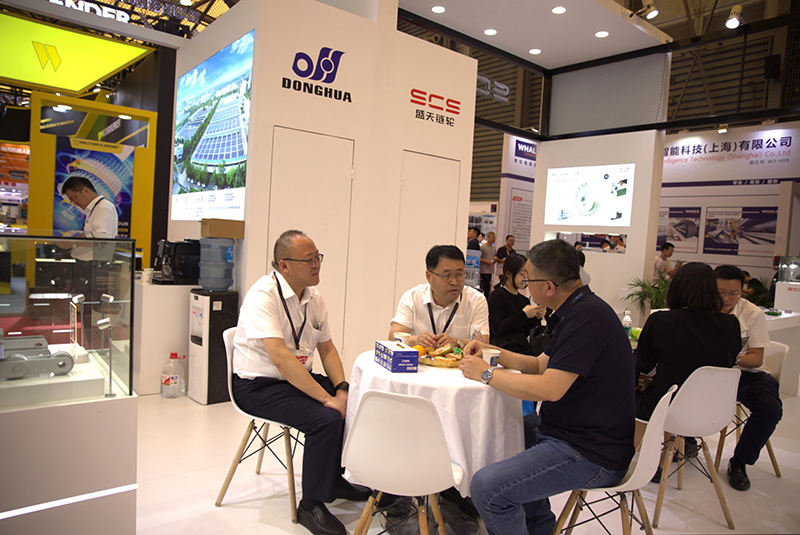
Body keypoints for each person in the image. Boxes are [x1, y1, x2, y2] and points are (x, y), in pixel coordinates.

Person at [459, 239, 635, 535]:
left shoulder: (587, 317)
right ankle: (540, 526)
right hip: (572, 433)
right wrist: (490, 352)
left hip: (590, 452)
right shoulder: (578, 309)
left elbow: (549, 388)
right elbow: (540, 364)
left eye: (528, 280)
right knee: (511, 426)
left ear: (549, 287)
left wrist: (486, 374)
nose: (526, 286)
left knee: (488, 489)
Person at [232, 230, 370, 535]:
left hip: (295, 378)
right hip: (258, 385)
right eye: (309, 260)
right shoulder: (263, 295)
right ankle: (311, 504)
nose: (316, 264)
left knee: (357, 401)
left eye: (318, 257)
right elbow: (281, 358)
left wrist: (342, 389)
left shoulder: (313, 298)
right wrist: (326, 398)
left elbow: (328, 350)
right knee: (326, 418)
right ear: (284, 265)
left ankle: (333, 478)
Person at [635, 263, 741, 423]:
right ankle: (684, 438)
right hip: (713, 412)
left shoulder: (661, 321)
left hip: (664, 409)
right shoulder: (731, 324)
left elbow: (641, 364)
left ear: (676, 289)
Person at [715, 265, 783, 492]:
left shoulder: (752, 313)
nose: (727, 298)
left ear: (742, 291)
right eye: (721, 292)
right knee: (673, 389)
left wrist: (729, 357)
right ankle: (687, 441)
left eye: (733, 293)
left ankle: (740, 461)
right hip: (711, 373)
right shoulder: (702, 308)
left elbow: (756, 358)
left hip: (746, 374)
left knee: (769, 409)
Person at [389, 245, 489, 349]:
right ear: (429, 277)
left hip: (459, 359)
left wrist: (457, 343)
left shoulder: (476, 300)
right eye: (447, 276)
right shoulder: (413, 297)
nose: (454, 282)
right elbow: (393, 336)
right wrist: (416, 340)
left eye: (459, 274)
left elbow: (484, 343)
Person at [488, 253, 545, 354]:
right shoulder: (497, 295)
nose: (525, 278)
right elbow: (497, 329)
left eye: (527, 275)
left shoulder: (524, 300)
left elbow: (524, 331)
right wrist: (523, 314)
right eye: (522, 274)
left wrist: (536, 318)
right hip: (503, 350)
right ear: (508, 274)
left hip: (521, 348)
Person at [479, 232, 497, 296]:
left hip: (490, 270)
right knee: (485, 285)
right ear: (488, 237)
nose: (494, 239)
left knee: (488, 285)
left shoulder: (494, 248)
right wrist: (486, 261)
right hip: (483, 270)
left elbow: (494, 256)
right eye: (492, 237)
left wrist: (495, 259)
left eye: (494, 237)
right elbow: (479, 258)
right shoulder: (483, 247)